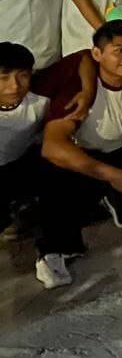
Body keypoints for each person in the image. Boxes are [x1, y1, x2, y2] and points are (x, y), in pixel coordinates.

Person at [35, 20, 122, 289]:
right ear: (97, 54)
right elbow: (53, 145)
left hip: (120, 151)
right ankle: (53, 250)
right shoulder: (79, 87)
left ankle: (120, 201)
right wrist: (113, 175)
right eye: (119, 50)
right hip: (83, 160)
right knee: (53, 174)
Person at [1, 43, 49, 241]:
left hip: (21, 164)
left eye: (22, 75)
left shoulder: (40, 102)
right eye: (3, 78)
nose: (14, 86)